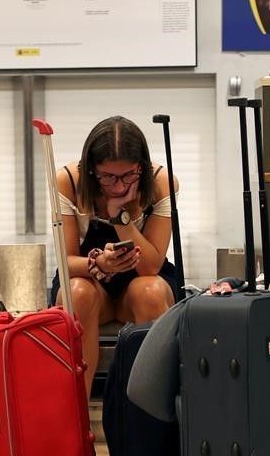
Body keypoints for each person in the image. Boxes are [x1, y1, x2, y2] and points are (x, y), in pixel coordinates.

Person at [50, 116, 180, 392]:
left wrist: (120, 218)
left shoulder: (161, 183)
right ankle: (77, 420)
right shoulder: (67, 182)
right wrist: (100, 263)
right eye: (108, 176)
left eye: (129, 175)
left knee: (151, 292)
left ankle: (149, 418)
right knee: (77, 294)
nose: (119, 186)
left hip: (139, 284)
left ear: (142, 168)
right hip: (90, 282)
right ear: (91, 170)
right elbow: (66, 262)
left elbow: (151, 266)